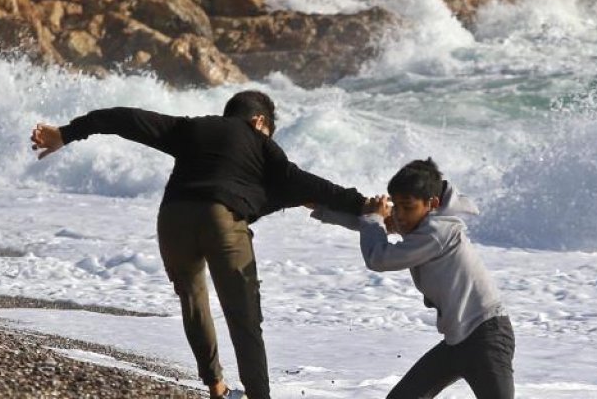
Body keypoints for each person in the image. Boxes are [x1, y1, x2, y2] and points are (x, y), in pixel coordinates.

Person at [30, 90, 371, 399]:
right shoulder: (257, 138)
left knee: (194, 302)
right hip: (219, 218)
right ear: (259, 121)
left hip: (172, 219)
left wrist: (66, 133)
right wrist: (362, 204)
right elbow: (301, 180)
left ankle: (216, 388)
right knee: (243, 316)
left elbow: (124, 118)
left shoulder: (191, 129)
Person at [313, 158, 515, 399]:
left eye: (407, 207)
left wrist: (373, 219)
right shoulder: (424, 223)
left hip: (486, 337)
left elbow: (379, 258)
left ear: (432, 203)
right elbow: (374, 227)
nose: (399, 215)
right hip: (458, 339)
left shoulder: (437, 232)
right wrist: (323, 210)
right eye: (395, 207)